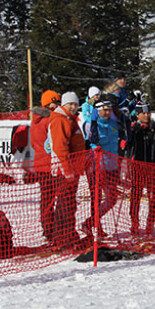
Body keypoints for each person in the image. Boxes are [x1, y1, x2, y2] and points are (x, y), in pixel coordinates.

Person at [48, 91, 87, 249]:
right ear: (63, 105)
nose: (73, 107)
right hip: (65, 171)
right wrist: (67, 170)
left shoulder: (69, 120)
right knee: (65, 205)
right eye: (70, 104)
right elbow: (60, 147)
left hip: (72, 169)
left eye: (75, 104)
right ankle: (63, 238)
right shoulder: (60, 120)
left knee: (69, 204)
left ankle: (67, 235)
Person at [81, 99, 124, 237]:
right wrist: (93, 121)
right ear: (97, 111)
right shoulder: (90, 124)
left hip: (112, 166)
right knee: (96, 198)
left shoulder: (113, 124)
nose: (106, 112)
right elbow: (92, 140)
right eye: (103, 110)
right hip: (97, 167)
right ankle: (95, 226)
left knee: (112, 198)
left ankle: (91, 221)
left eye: (109, 110)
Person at [126, 101, 155, 237]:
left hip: (152, 165)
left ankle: (150, 225)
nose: (146, 115)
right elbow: (125, 145)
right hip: (137, 166)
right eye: (143, 113)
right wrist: (131, 134)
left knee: (153, 196)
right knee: (136, 196)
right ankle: (134, 224)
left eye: (148, 112)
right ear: (137, 115)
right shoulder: (133, 128)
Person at [30, 90, 60, 242]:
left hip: (40, 164)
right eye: (57, 102)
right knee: (54, 199)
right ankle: (51, 229)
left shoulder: (35, 120)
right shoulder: (50, 120)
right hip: (50, 164)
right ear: (49, 103)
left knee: (46, 198)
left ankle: (47, 227)